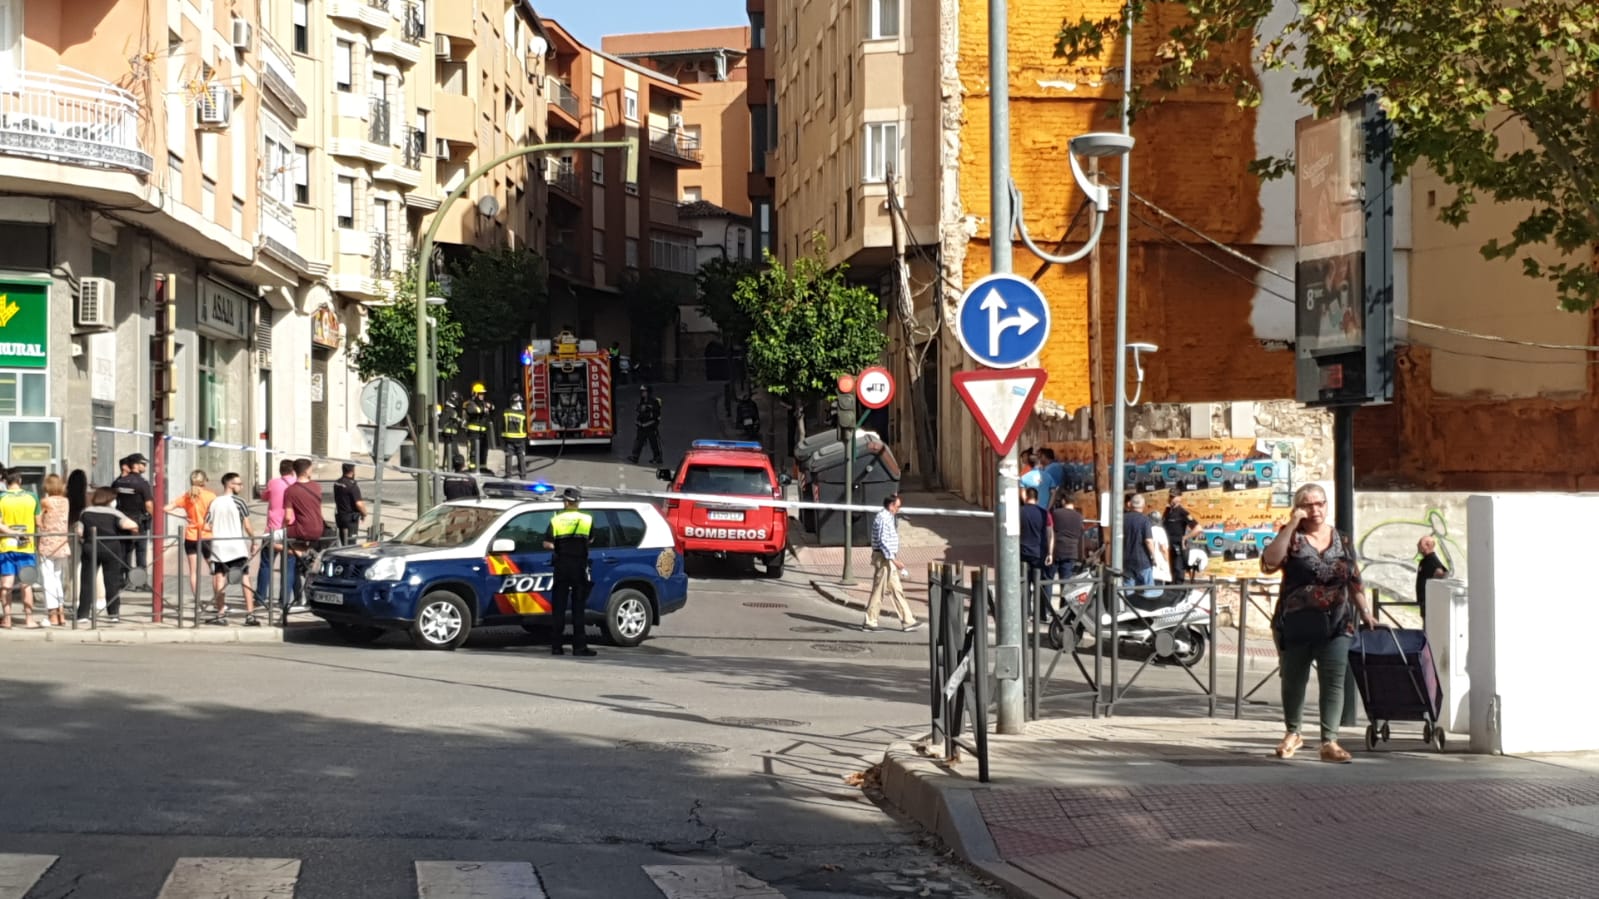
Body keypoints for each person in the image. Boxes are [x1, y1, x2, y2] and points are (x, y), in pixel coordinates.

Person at [1260, 484, 1378, 763]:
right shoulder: (1292, 537)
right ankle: (1293, 732)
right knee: (1293, 679)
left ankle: (1330, 741)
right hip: (1296, 622)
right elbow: (1269, 562)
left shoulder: (1343, 539)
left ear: (1326, 505)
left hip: (1337, 623)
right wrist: (1291, 524)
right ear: (1298, 507)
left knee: (1333, 681)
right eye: (1308, 505)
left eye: (1319, 504)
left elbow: (1354, 579)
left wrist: (1365, 611)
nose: (1315, 510)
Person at [542, 487, 596, 657]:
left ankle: (556, 647)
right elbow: (592, 539)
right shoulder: (587, 519)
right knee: (578, 608)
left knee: (558, 607)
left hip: (561, 566)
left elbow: (547, 544)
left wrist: (559, 546)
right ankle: (579, 647)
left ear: (565, 502)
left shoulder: (556, 520)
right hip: (579, 566)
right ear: (578, 502)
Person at [76, 486, 138, 624]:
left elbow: (79, 531)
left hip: (90, 547)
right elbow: (131, 524)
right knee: (112, 581)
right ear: (111, 499)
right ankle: (113, 613)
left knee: (87, 581)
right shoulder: (115, 513)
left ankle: (83, 614)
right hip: (111, 549)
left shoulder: (85, 512)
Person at [204, 472, 259, 627]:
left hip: (219, 547)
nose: (241, 486)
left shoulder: (214, 502)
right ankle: (250, 615)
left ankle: (220, 614)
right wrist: (254, 541)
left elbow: (207, 525)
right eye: (238, 484)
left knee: (219, 578)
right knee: (245, 578)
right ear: (230, 484)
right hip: (237, 546)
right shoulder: (239, 502)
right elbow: (247, 525)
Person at [862, 493, 921, 632]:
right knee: (878, 590)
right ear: (891, 506)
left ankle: (908, 620)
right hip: (884, 559)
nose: (898, 510)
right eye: (897, 506)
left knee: (896, 589)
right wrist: (894, 560)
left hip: (887, 558)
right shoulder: (883, 518)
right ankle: (870, 622)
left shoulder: (888, 517)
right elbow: (883, 541)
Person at [164, 469, 215, 598]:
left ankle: (197, 600)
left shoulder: (187, 496)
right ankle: (218, 600)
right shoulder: (210, 496)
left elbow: (166, 508)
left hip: (191, 535)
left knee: (193, 571)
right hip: (206, 534)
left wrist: (183, 517)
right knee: (214, 569)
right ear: (204, 481)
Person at [283, 458, 325, 610]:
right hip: (319, 528)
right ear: (307, 471)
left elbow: (288, 517)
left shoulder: (290, 490)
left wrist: (282, 527)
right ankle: (303, 554)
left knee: (272, 540)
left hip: (302, 529)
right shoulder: (316, 486)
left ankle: (299, 553)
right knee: (307, 563)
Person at [0, 469, 40, 628]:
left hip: (6, 545)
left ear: (6, 481)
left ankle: (7, 619)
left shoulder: (1, 498)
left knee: (6, 583)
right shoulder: (32, 497)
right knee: (27, 584)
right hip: (27, 545)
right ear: (20, 480)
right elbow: (39, 522)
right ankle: (29, 620)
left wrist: (12, 532)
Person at [256, 458, 295, 612]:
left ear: (280, 470)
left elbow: (263, 497)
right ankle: (284, 600)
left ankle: (260, 597)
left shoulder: (273, 483)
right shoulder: (297, 484)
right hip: (290, 529)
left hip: (272, 529)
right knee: (288, 566)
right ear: (292, 471)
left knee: (266, 564)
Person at [112, 453, 154, 579]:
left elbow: (113, 499)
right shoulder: (142, 483)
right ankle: (140, 582)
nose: (145, 466)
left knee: (124, 551)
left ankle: (122, 579)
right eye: (143, 464)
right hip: (139, 521)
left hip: (122, 521)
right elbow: (149, 504)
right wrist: (151, 516)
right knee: (140, 551)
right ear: (135, 465)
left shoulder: (119, 482)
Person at [37, 473, 70, 628]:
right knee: (57, 577)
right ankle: (61, 613)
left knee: (47, 578)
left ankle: (52, 615)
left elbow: (38, 520)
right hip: (62, 542)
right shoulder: (65, 501)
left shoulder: (45, 501)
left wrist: (42, 525)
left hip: (48, 543)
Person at [1019, 487, 1054, 606]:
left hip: (1022, 552)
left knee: (1024, 583)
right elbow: (1050, 534)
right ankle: (1042, 613)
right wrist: (1050, 553)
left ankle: (1025, 611)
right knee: (1040, 583)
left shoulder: (1019, 511)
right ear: (1037, 499)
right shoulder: (1044, 513)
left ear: (1026, 498)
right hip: (1039, 553)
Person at [1162, 489, 1201, 584]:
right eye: (1170, 496)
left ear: (1179, 498)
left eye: (1173, 497)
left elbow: (1198, 528)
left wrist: (1184, 538)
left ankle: (1178, 594)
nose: (1171, 499)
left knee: (1178, 571)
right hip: (1167, 548)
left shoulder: (1182, 512)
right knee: (1168, 573)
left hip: (1178, 547)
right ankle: (1169, 595)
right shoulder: (1167, 511)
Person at [1122, 494, 1157, 587]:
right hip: (1142, 561)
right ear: (1143, 505)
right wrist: (1154, 556)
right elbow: (1148, 541)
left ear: (1131, 504)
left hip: (1126, 561)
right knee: (1148, 593)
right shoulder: (1145, 520)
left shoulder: (1122, 519)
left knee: (1128, 594)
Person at [1051, 491, 1085, 579]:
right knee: (1066, 581)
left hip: (1056, 550)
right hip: (1071, 552)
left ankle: (1047, 593)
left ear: (1063, 501)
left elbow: (1050, 531)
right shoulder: (1079, 517)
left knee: (1048, 579)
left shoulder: (1056, 513)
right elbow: (1081, 534)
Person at [1415, 535, 1449, 622]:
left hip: (1429, 603)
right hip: (1425, 602)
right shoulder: (1425, 560)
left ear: (1428, 545)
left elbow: (1442, 574)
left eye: (1420, 543)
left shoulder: (1432, 560)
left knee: (1429, 629)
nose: (1417, 545)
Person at [333, 463, 367, 546]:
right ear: (353, 471)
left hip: (340, 516)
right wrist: (364, 513)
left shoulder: (337, 483)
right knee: (350, 544)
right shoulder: (352, 486)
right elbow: (359, 504)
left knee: (343, 541)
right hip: (350, 519)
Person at [627, 384, 663, 464]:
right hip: (641, 426)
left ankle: (657, 458)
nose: (642, 393)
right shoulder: (641, 401)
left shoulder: (655, 401)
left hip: (650, 426)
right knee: (638, 442)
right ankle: (635, 457)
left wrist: (648, 411)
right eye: (641, 391)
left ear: (648, 392)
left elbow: (656, 415)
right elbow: (638, 409)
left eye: (644, 391)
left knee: (654, 443)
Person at [463, 383, 494, 470]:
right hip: (473, 433)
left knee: (484, 450)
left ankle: (482, 467)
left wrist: (490, 406)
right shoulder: (470, 403)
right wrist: (482, 410)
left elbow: (492, 407)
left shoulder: (484, 403)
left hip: (483, 433)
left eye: (483, 394)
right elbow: (472, 411)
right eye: (480, 394)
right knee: (473, 451)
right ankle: (472, 468)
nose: (482, 396)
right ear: (475, 394)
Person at [500, 395, 527, 479]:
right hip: (520, 440)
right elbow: (525, 427)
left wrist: (502, 438)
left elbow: (503, 425)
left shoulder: (506, 412)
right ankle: (522, 476)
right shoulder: (523, 413)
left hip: (508, 439)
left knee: (508, 457)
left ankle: (508, 476)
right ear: (515, 403)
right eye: (519, 402)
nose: (520, 404)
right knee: (521, 458)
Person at [1149, 512, 1173, 584]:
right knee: (1158, 585)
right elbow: (1163, 549)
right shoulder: (1159, 531)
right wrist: (1167, 562)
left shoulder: (1147, 529)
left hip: (1148, 561)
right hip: (1159, 560)